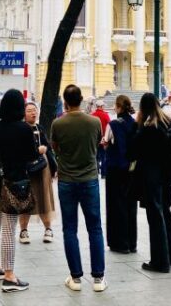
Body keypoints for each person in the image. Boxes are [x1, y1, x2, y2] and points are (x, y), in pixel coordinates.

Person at [50, 84, 107, 293]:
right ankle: (99, 278)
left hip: (66, 180)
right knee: (95, 228)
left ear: (65, 101)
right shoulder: (94, 122)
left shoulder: (58, 124)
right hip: (90, 178)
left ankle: (75, 278)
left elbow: (56, 148)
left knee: (69, 229)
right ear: (81, 99)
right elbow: (96, 145)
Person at [0, 89, 37, 292]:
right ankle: (9, 276)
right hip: (13, 182)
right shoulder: (24, 129)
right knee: (8, 228)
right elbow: (31, 156)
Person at [129, 93, 171, 273]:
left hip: (152, 178)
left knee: (156, 216)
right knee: (166, 212)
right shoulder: (168, 121)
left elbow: (134, 151)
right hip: (168, 176)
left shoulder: (149, 126)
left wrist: (137, 127)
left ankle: (160, 261)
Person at [102, 94, 137, 254]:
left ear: (119, 107)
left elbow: (106, 143)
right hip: (131, 170)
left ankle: (119, 242)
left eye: (116, 106)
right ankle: (131, 242)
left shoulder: (113, 124)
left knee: (115, 205)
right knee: (130, 205)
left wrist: (106, 145)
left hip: (115, 169)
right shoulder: (135, 123)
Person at [18, 101, 56, 244]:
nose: (33, 113)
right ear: (24, 114)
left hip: (42, 169)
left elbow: (49, 149)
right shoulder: (21, 129)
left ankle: (48, 229)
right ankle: (23, 231)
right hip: (26, 169)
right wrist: (36, 150)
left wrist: (53, 169)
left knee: (44, 198)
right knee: (25, 199)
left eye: (34, 110)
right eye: (29, 111)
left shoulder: (40, 128)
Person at [91, 99, 111, 178]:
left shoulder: (92, 115)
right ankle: (103, 173)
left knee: (95, 156)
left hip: (95, 139)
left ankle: (95, 172)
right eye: (103, 106)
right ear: (101, 106)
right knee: (103, 156)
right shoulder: (105, 115)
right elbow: (109, 125)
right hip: (103, 138)